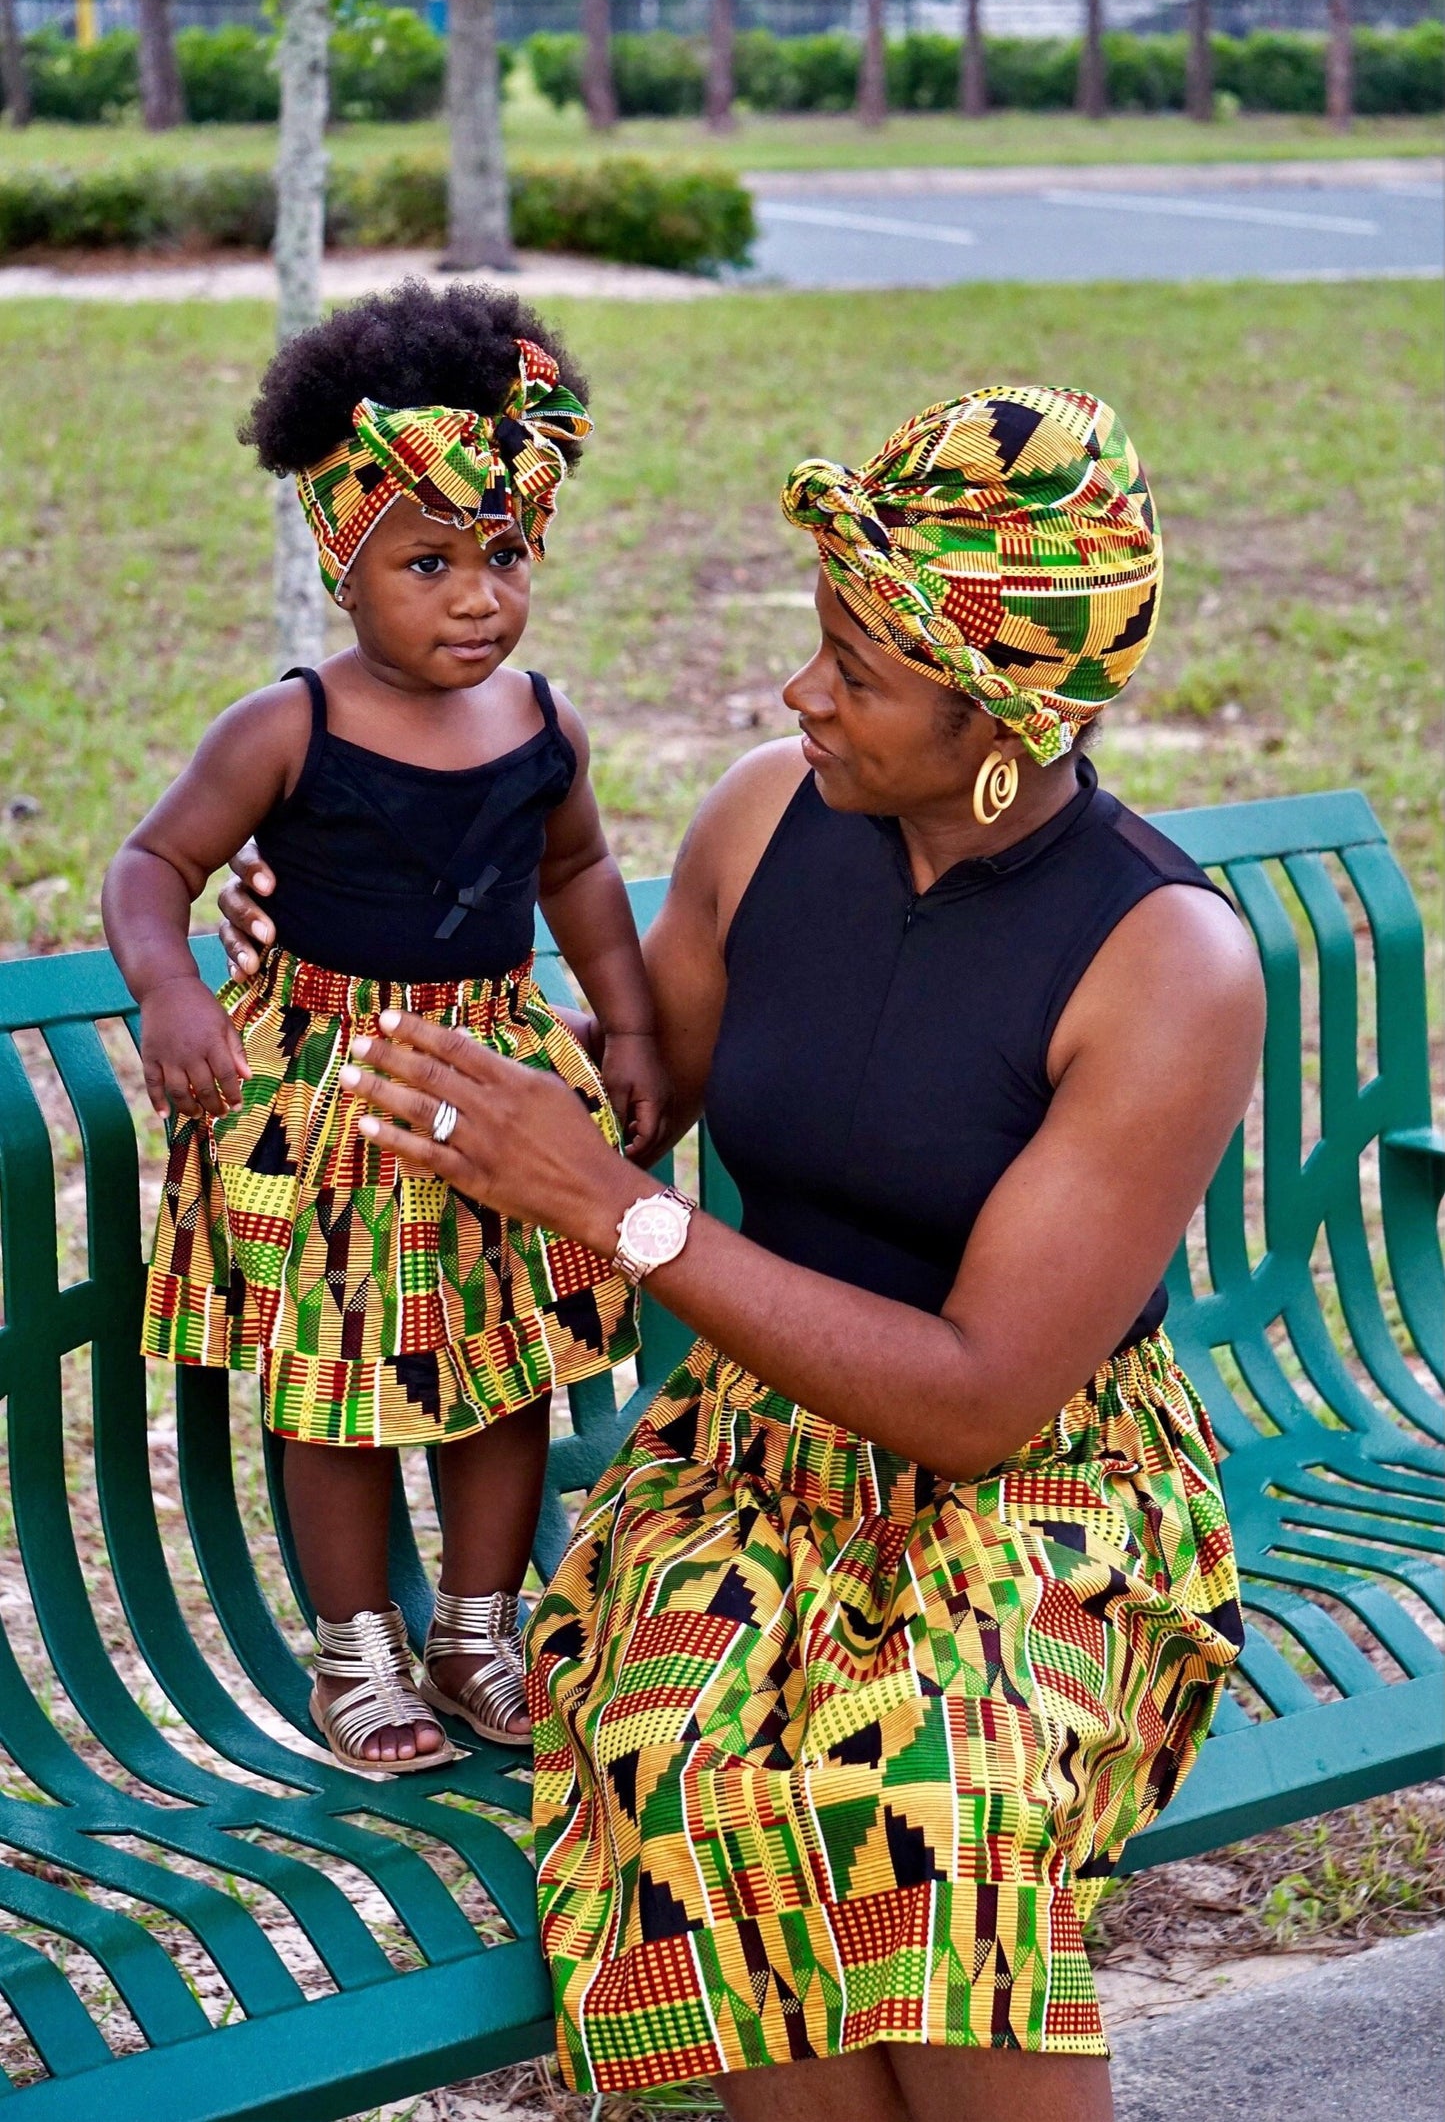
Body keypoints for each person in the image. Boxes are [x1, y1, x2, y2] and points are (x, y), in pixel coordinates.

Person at [220, 385, 1261, 2120]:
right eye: (815, 646)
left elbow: (976, 1401)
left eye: (855, 671)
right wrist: (337, 933)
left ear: (1004, 719)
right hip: (751, 1467)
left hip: (1047, 1496)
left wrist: (617, 1215)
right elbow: (618, 1108)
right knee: (689, 1768)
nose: (800, 695)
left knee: (931, 1799)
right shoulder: (768, 815)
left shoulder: (1163, 960)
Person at [103, 283, 665, 1778]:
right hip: (330, 1106)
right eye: (429, 563)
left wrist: (626, 1026)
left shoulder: (541, 722)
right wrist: (170, 989)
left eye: (505, 556)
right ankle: (355, 1648)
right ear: (343, 567)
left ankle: (479, 1632)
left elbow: (579, 874)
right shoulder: (286, 728)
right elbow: (154, 864)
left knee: (500, 1372)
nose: (477, 599)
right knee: (334, 1395)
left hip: (490, 1093)